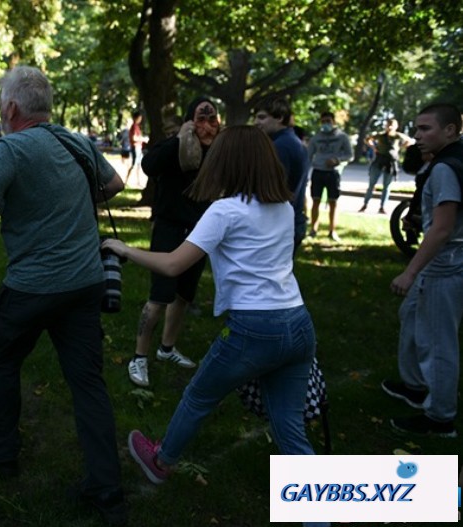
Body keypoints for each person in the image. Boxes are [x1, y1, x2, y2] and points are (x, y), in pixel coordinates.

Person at [103, 126, 328, 527]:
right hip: (299, 323)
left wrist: (123, 248)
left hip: (253, 329)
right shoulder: (283, 205)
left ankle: (160, 461)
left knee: (199, 396)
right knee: (290, 429)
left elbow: (173, 264)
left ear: (226, 161)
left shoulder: (225, 210)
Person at [0, 66, 127, 526]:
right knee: (88, 384)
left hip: (32, 286)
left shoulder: (13, 146)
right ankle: (108, 490)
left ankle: (1, 454)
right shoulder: (76, 141)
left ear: (12, 108)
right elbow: (115, 184)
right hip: (83, 283)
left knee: (3, 361)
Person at [126, 97, 220, 388]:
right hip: (169, 229)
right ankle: (139, 356)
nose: (206, 127)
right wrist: (180, 138)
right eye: (200, 120)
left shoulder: (218, 153)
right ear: (190, 121)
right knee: (159, 298)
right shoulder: (175, 146)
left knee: (183, 297)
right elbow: (149, 165)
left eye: (212, 120)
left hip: (200, 232)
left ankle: (166, 349)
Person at [384, 103, 463, 438]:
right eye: (415, 129)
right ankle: (416, 386)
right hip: (444, 264)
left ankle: (440, 417)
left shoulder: (446, 167)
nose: (417, 136)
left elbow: (442, 229)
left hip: (444, 267)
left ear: (450, 130)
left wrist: (410, 272)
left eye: (426, 129)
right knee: (411, 313)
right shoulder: (452, 160)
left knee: (437, 342)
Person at [254, 97, 311, 253]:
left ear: (279, 118)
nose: (255, 122)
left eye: (262, 117)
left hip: (281, 226)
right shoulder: (292, 141)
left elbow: (272, 192)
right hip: (291, 222)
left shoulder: (281, 146)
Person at [307, 111, 352, 242]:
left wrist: (337, 160)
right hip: (318, 172)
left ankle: (332, 231)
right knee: (315, 201)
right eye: (323, 121)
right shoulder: (316, 138)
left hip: (333, 173)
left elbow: (350, 155)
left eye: (328, 121)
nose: (326, 124)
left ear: (334, 122)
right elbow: (308, 156)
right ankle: (313, 229)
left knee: (333, 202)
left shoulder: (342, 137)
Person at [360, 118, 414, 214]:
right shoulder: (380, 135)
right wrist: (373, 147)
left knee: (387, 186)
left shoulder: (397, 136)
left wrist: (401, 147)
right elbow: (367, 139)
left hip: (391, 163)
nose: (389, 127)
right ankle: (365, 204)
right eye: (388, 124)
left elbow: (410, 140)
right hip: (379, 161)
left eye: (391, 125)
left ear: (395, 126)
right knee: (371, 184)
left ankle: (382, 207)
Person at [125, 110, 146, 185]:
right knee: (134, 165)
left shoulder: (136, 126)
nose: (140, 119)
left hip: (138, 147)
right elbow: (134, 138)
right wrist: (143, 139)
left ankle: (138, 182)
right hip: (136, 147)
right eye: (140, 117)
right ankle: (126, 181)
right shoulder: (134, 126)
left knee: (138, 166)